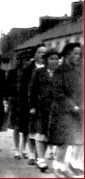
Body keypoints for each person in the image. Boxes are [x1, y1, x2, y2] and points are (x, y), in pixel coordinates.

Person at [48, 43, 83, 177]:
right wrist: (71, 106)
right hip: (62, 111)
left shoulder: (77, 70)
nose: (78, 57)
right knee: (63, 141)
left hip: (75, 110)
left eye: (79, 54)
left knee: (72, 140)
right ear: (67, 54)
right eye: (75, 54)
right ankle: (58, 167)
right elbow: (58, 92)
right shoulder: (59, 70)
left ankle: (66, 166)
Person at [27, 49, 60, 172]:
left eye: (56, 59)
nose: (54, 61)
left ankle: (42, 157)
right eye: (51, 59)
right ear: (46, 60)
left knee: (49, 133)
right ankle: (40, 159)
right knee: (40, 132)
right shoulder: (38, 72)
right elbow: (32, 90)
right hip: (41, 107)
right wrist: (32, 106)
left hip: (56, 108)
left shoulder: (60, 73)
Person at [21, 45, 47, 165]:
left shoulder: (50, 68)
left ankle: (40, 155)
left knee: (42, 131)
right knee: (31, 129)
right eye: (39, 52)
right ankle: (32, 154)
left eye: (44, 53)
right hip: (31, 102)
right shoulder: (28, 69)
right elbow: (24, 87)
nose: (42, 55)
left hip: (46, 105)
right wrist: (29, 103)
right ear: (35, 54)